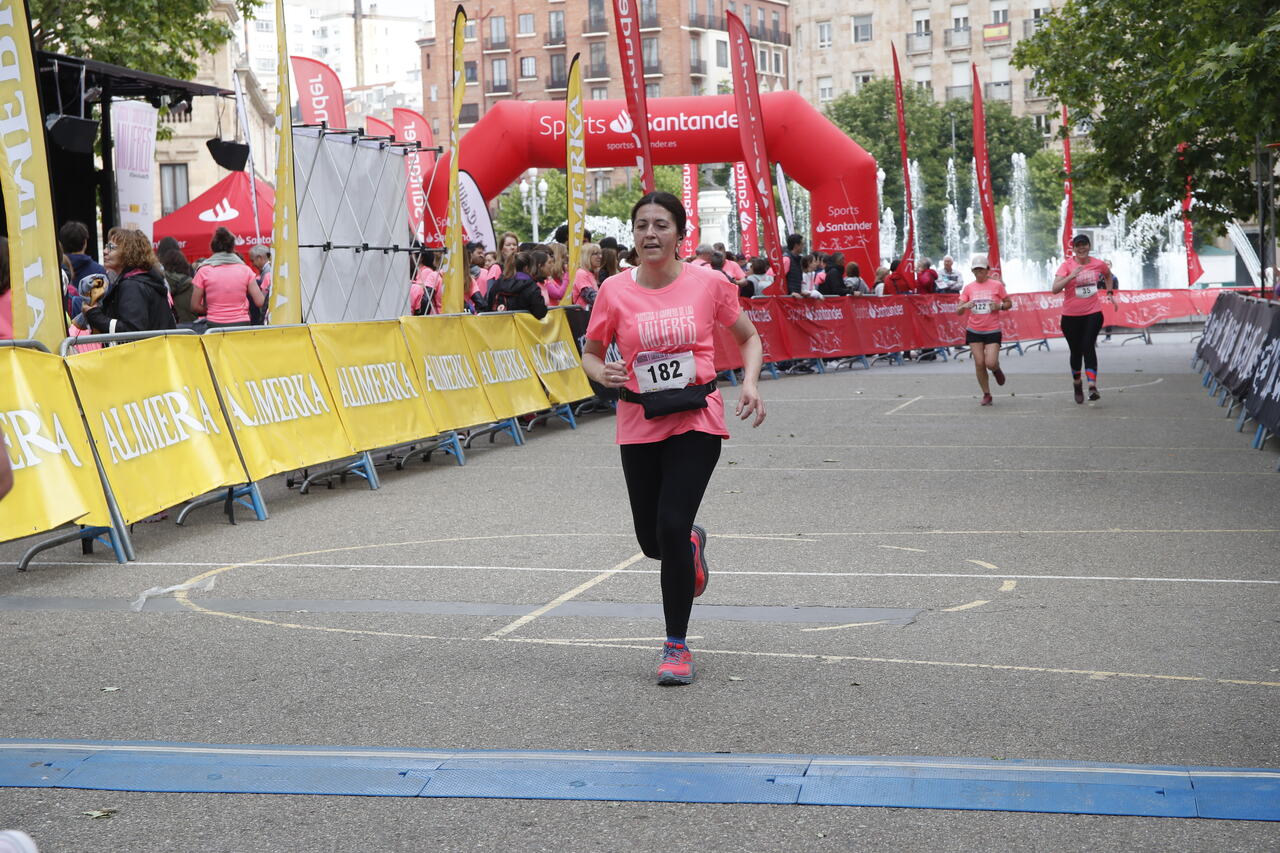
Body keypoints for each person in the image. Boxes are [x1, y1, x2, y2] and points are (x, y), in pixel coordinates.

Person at [582, 191, 765, 687]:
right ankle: (688, 545)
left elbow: (749, 337)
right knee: (652, 541)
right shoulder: (614, 291)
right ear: (632, 235)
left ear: (681, 235)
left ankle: (676, 646)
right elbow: (592, 353)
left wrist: (748, 381)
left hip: (696, 418)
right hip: (639, 420)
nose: (650, 234)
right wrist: (606, 374)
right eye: (642, 225)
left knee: (669, 521)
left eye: (661, 225)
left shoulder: (708, 283)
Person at [1053, 234, 1116, 403]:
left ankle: (1092, 385)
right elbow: (1055, 289)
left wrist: (1109, 292)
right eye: (1078, 246)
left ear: (1089, 246)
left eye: (1084, 245)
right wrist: (1070, 276)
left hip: (1093, 312)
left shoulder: (1098, 264)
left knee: (1088, 345)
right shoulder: (1066, 266)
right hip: (1071, 316)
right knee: (1076, 351)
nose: (1081, 249)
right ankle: (1077, 382)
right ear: (1073, 249)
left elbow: (1109, 275)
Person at [83, 229, 176, 333]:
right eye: (106, 246)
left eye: (111, 247)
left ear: (129, 253)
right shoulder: (141, 280)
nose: (105, 251)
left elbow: (131, 330)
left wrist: (94, 315)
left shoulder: (132, 285)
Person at [957, 254, 1012, 406]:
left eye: (981, 270)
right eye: (976, 270)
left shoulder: (996, 285)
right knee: (979, 362)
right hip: (974, 330)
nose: (979, 273)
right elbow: (958, 310)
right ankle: (986, 394)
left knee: (990, 362)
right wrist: (964, 306)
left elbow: (1009, 303)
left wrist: (999, 306)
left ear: (987, 270)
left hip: (992, 329)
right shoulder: (969, 288)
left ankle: (996, 369)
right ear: (972, 271)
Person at [191, 227, 264, 329]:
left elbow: (194, 306)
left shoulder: (203, 271)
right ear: (233, 247)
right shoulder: (245, 270)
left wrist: (213, 309)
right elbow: (260, 302)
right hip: (242, 324)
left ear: (212, 247)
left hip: (215, 325)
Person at [485, 250, 548, 319]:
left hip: (500, 327)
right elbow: (540, 312)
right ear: (526, 268)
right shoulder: (531, 286)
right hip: (523, 327)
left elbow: (489, 307)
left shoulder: (497, 284)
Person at [156, 246, 199, 325]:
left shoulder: (159, 284)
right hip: (191, 330)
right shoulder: (192, 285)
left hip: (169, 331)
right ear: (184, 264)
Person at [410, 249, 442, 315]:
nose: (409, 256)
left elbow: (425, 298)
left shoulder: (427, 272)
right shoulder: (418, 272)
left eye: (411, 254)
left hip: (437, 316)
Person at [571, 243, 602, 307]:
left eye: (600, 253)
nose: (600, 256)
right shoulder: (581, 273)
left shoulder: (590, 273)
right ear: (586, 256)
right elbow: (590, 296)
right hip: (583, 315)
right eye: (595, 254)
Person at [247, 245, 272, 324]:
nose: (253, 264)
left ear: (259, 258)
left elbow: (264, 301)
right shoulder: (271, 269)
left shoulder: (267, 274)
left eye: (252, 260)